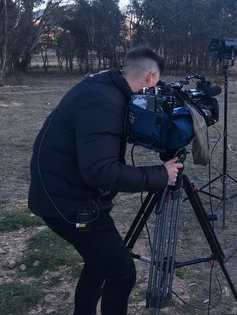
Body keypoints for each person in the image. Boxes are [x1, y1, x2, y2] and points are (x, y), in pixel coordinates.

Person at [28, 47, 183, 315]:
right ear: (150, 77)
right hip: (66, 203)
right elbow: (101, 171)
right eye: (156, 83)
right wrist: (161, 175)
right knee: (121, 273)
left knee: (99, 263)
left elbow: (107, 138)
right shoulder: (104, 102)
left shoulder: (105, 87)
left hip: (63, 192)